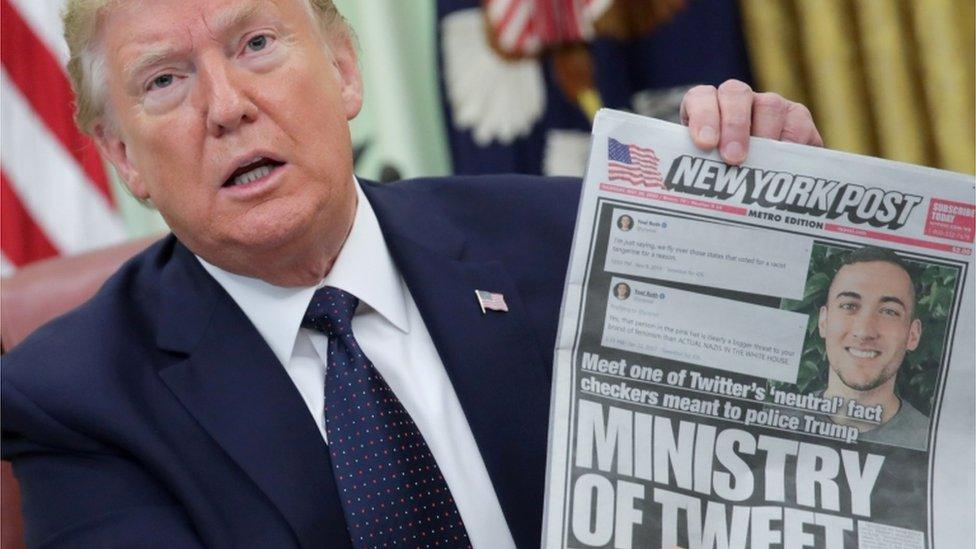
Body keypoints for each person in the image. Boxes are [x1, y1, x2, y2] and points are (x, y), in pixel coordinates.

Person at [0, 0, 825, 547]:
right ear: (120, 157)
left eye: (256, 45)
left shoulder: (576, 240)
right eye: (165, 81)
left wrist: (792, 231)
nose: (225, 106)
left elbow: (789, 467)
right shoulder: (78, 396)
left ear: (346, 71)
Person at [817, 246, 929, 450]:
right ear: (824, 322)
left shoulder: (933, 444)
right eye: (849, 306)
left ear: (913, 335)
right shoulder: (777, 419)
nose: (865, 331)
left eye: (888, 311)